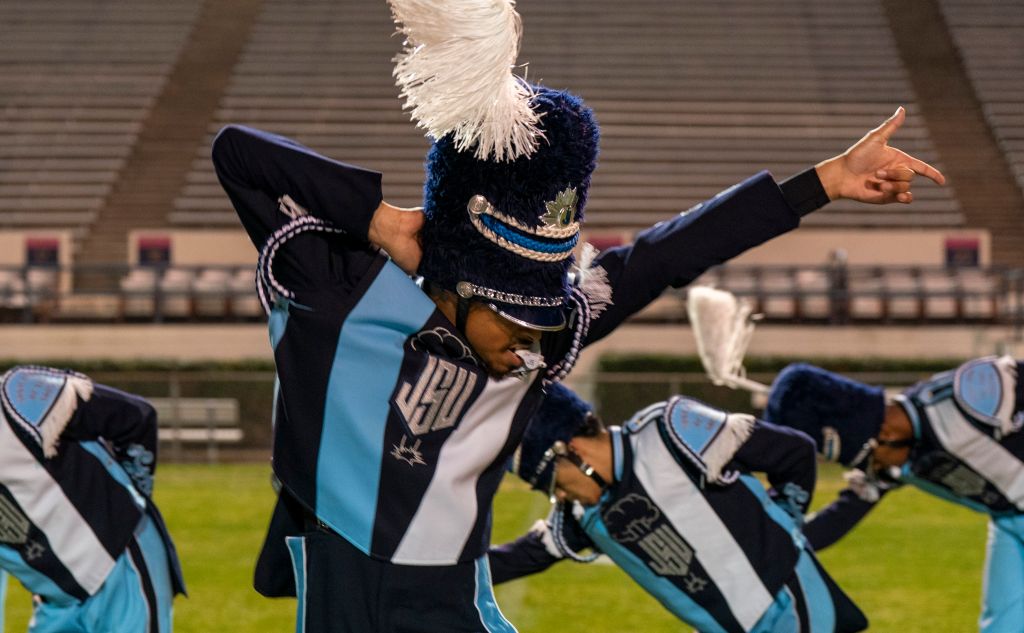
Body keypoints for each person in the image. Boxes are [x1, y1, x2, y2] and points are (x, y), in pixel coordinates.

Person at [211, 0, 944, 628]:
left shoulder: (543, 349)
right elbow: (238, 154)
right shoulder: (342, 293)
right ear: (458, 286)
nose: (531, 350)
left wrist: (823, 183)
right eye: (516, 324)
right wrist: (382, 222)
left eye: (541, 327)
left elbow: (661, 256)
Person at [492, 382, 868, 632]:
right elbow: (518, 558)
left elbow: (794, 453)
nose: (559, 496)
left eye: (553, 482)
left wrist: (784, 521)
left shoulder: (668, 431)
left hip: (798, 608)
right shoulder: (584, 516)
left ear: (572, 450)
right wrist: (439, 569)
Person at [764, 358, 1024, 633]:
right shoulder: (898, 448)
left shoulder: (971, 395)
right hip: (1006, 520)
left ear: (886, 433)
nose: (874, 471)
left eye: (869, 460)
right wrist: (774, 545)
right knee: (1002, 626)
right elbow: (840, 516)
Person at [0, 365, 185, 632]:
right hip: (57, 598)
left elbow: (135, 416)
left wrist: (125, 511)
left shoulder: (17, 398)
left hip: (121, 568)